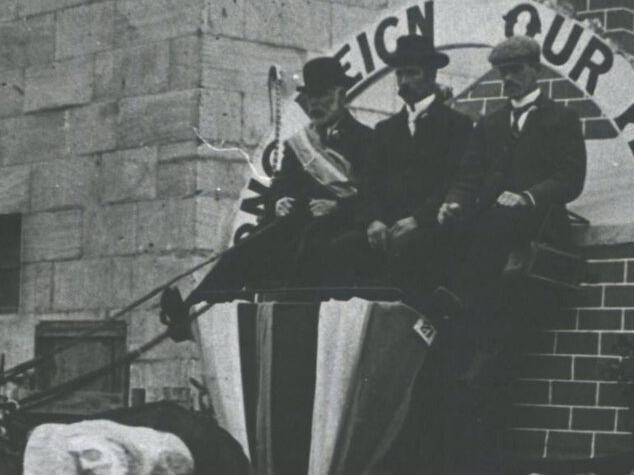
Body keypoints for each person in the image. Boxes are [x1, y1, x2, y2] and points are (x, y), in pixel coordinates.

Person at [191, 56, 378, 302]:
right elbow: (278, 189)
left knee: (308, 254)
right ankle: (194, 305)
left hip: (339, 228)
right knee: (247, 248)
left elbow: (375, 196)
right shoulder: (298, 144)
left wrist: (337, 207)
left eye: (321, 95)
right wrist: (280, 201)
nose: (314, 104)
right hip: (298, 226)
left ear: (341, 95)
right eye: (310, 97)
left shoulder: (369, 140)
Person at [436, 35, 587, 301]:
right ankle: (443, 306)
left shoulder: (562, 119)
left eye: (516, 69)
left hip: (540, 221)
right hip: (492, 224)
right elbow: (468, 175)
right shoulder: (489, 124)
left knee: (490, 233)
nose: (507, 78)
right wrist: (454, 202)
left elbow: (571, 178)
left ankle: (458, 300)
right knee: (445, 227)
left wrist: (526, 197)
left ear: (535, 69)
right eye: (503, 71)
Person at [330, 33, 474, 297]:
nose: (403, 82)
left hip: (430, 228)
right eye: (399, 74)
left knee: (410, 255)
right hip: (387, 228)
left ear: (431, 76)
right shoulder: (386, 130)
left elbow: (456, 181)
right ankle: (349, 332)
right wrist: (373, 220)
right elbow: (369, 183)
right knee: (340, 249)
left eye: (412, 73)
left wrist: (418, 219)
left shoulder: (457, 126)